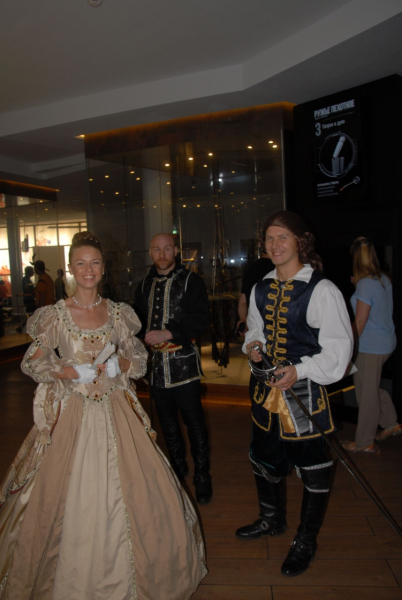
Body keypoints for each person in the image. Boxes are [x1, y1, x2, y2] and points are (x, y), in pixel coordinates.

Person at [0, 232, 206, 599]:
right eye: (81, 263)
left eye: (94, 263)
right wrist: (68, 371)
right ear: (70, 268)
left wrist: (120, 365)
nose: (88, 269)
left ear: (103, 268)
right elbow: (32, 362)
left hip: (115, 409)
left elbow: (139, 358)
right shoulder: (55, 315)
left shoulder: (118, 313)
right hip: (71, 413)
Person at [235, 210, 353, 577]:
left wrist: (299, 370)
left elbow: (339, 350)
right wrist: (254, 346)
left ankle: (306, 540)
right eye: (269, 238)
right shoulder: (261, 287)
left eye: (282, 237)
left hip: (304, 395)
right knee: (263, 456)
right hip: (265, 392)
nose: (274, 245)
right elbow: (255, 327)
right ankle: (271, 519)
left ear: (300, 242)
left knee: (314, 469)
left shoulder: (322, 290)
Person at [134, 233, 212, 504]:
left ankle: (202, 475)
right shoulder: (143, 285)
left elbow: (201, 319)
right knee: (167, 423)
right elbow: (138, 322)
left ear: (176, 251)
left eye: (167, 248)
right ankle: (178, 469)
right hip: (156, 369)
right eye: (157, 249)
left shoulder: (192, 281)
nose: (162, 254)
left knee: (195, 423)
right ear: (150, 252)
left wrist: (169, 332)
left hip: (185, 366)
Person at [341, 237, 399, 454]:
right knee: (368, 387)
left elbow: (360, 322)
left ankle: (365, 442)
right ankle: (391, 423)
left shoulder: (365, 284)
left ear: (356, 258)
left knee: (366, 394)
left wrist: (347, 344)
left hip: (371, 346)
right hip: (385, 342)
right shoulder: (382, 278)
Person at [237, 252, 273, 335]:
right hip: (271, 326)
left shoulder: (251, 269)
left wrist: (243, 319)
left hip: (254, 325)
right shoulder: (278, 270)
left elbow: (243, 302)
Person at [16, 266, 36, 333]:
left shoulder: (27, 279)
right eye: (32, 271)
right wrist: (34, 289)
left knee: (31, 314)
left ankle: (22, 327)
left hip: (29, 299)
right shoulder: (25, 280)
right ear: (28, 272)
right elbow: (27, 289)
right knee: (31, 314)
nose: (33, 272)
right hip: (28, 299)